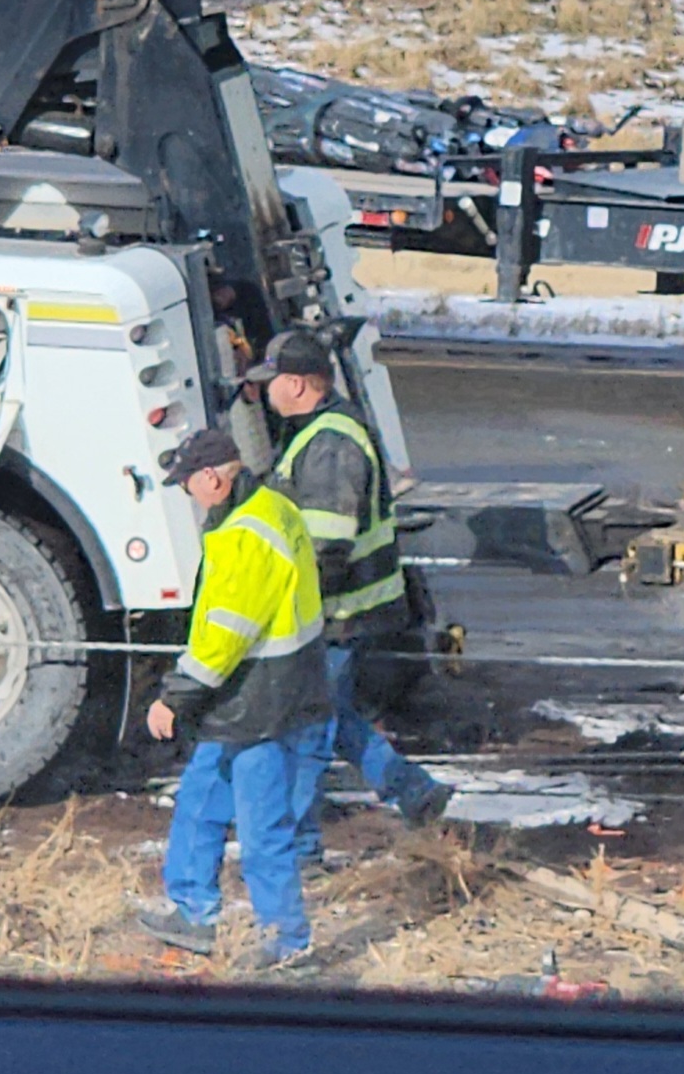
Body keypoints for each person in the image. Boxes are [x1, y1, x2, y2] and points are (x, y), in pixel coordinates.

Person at [250, 328, 455, 846]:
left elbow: (326, 546)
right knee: (330, 718)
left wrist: (295, 618)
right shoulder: (318, 433)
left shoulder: (330, 444)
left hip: (339, 616)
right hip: (344, 614)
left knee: (304, 731)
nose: (260, 391)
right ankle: (415, 792)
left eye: (268, 381)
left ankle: (298, 849)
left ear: (297, 385)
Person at [135, 424, 331, 969]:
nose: (188, 495)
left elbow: (225, 634)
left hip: (259, 702)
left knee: (261, 827)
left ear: (214, 478)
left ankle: (290, 946)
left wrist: (174, 697)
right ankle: (194, 912)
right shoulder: (272, 508)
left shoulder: (245, 535)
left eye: (189, 484)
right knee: (200, 798)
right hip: (262, 694)